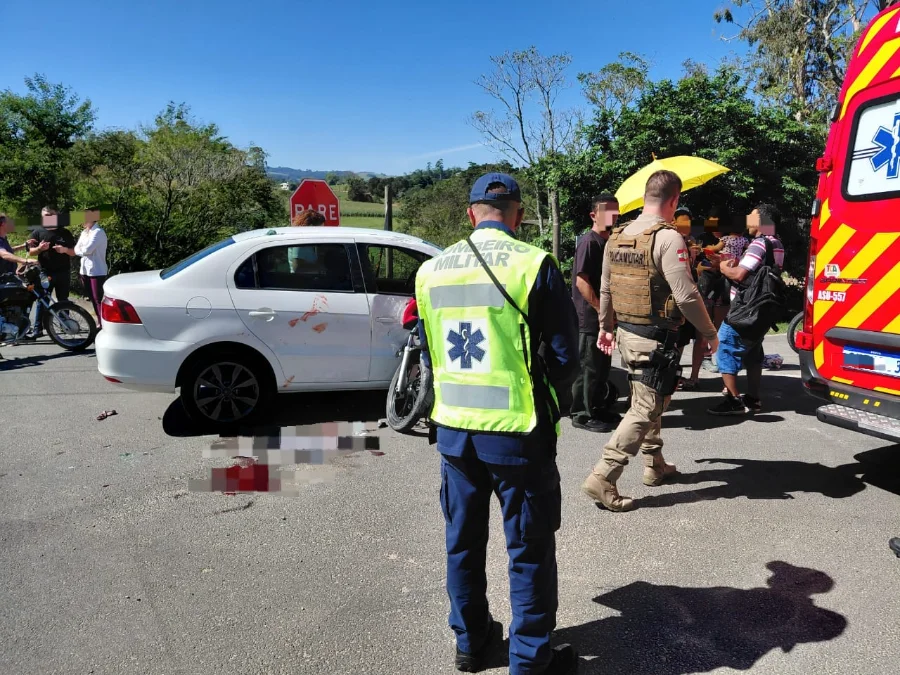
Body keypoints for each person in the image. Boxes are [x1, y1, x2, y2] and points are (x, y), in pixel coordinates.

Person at [415, 173, 580, 674]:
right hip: (517, 432)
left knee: (462, 543)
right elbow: (565, 355)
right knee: (528, 549)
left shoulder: (431, 271)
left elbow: (428, 350)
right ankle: (531, 659)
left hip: (453, 432)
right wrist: (552, 409)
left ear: (470, 214)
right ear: (519, 214)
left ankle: (472, 643)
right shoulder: (535, 264)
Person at [580, 170, 719, 512]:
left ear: (645, 197)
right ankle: (603, 476)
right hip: (655, 337)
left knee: (652, 396)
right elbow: (686, 297)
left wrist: (605, 326)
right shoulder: (668, 239)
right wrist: (710, 333)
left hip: (627, 333)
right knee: (645, 406)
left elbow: (607, 287)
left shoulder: (619, 235)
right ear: (674, 201)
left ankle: (654, 464)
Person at [707, 203, 785, 416]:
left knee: (725, 346)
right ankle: (753, 398)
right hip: (762, 310)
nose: (747, 220)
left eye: (751, 216)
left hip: (745, 310)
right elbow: (758, 272)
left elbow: (739, 275)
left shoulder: (759, 244)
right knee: (753, 353)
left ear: (761, 221)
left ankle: (734, 400)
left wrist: (722, 267)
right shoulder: (777, 244)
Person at [570, 193, 623, 432]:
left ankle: (599, 407)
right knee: (588, 367)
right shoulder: (589, 242)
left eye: (616, 211)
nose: (614, 216)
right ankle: (582, 414)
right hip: (590, 319)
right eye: (608, 212)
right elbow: (582, 282)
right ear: (594, 215)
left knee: (602, 367)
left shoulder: (608, 242)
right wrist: (602, 313)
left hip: (607, 318)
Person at [24, 207, 77, 339]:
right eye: (44, 216)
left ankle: (65, 326)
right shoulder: (37, 232)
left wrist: (64, 250)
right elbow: (31, 252)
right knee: (43, 300)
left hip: (63, 271)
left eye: (49, 215)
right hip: (45, 272)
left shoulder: (65, 232)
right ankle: (38, 329)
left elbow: (74, 252)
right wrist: (39, 249)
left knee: (63, 300)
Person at [74, 214, 109, 326]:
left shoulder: (98, 232)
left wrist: (81, 251)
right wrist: (81, 251)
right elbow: (76, 248)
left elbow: (87, 250)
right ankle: (100, 322)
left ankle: (103, 324)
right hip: (84, 270)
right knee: (92, 299)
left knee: (97, 298)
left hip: (96, 271)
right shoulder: (84, 233)